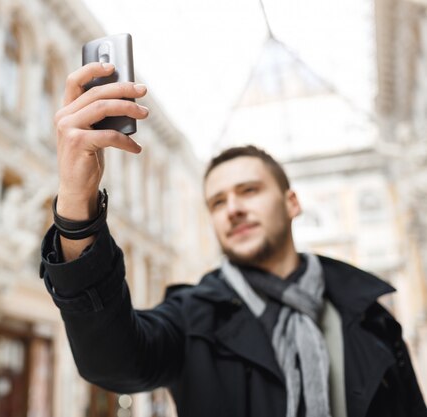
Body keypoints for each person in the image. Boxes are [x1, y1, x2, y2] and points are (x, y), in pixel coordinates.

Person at [39, 62, 427, 417]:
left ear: (292, 202)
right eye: (218, 201)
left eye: (249, 190)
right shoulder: (192, 317)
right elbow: (112, 362)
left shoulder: (371, 316)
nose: (233, 209)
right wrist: (77, 202)